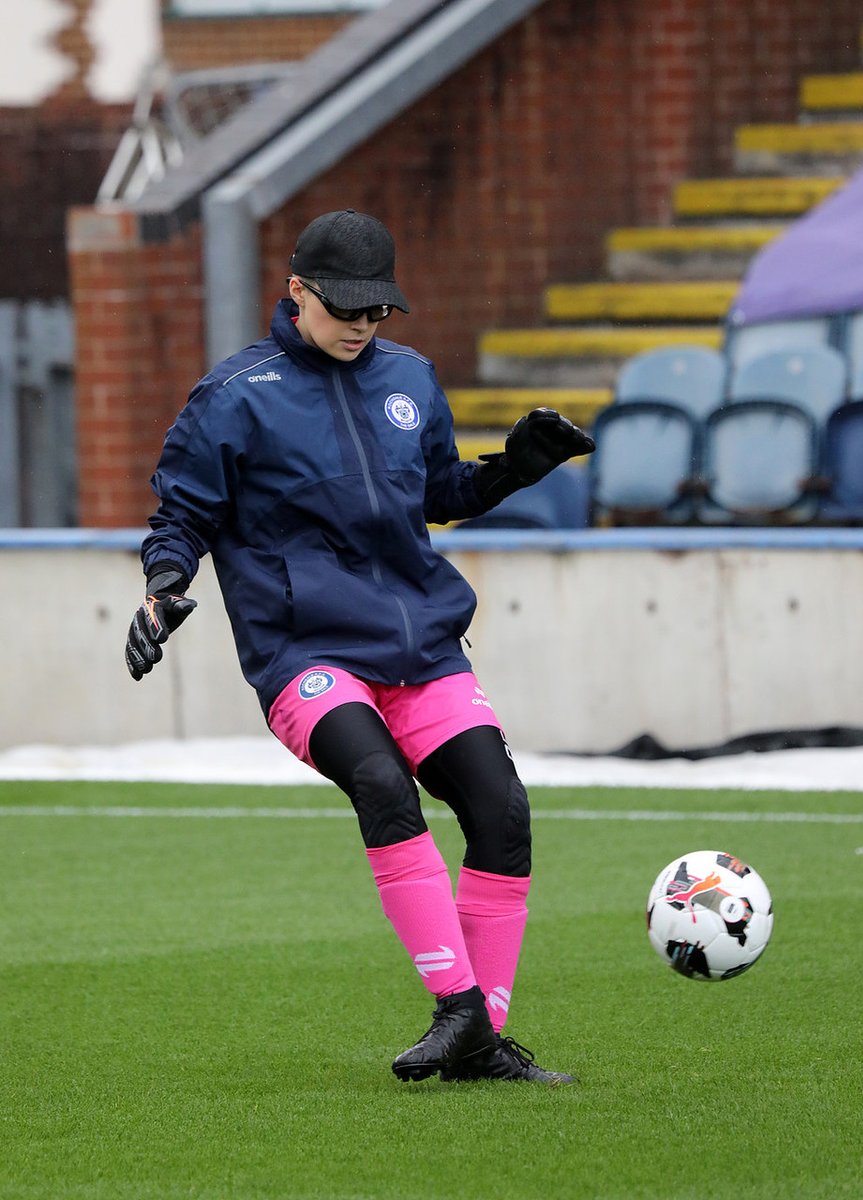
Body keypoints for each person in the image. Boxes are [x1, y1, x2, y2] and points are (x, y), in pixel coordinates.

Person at [125, 209, 595, 1086]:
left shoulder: (410, 376)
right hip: (303, 652)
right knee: (380, 783)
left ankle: (479, 1041)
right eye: (346, 309)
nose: (363, 327)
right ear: (296, 291)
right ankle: (460, 1009)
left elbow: (438, 491)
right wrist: (162, 587)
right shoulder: (233, 396)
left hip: (419, 641)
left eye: (378, 312)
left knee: (501, 811)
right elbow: (181, 515)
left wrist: (511, 469)